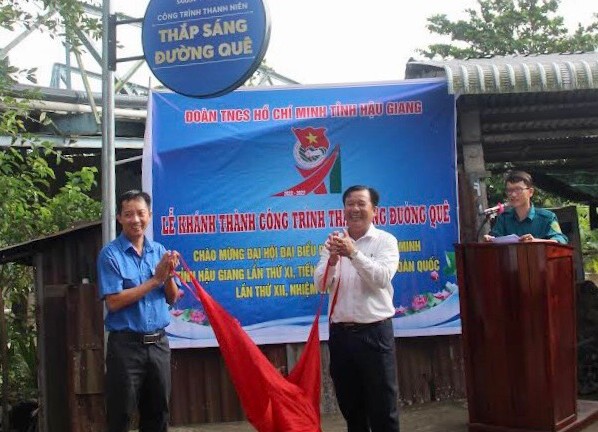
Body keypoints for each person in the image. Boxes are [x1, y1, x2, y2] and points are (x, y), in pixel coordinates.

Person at [314, 185, 400, 432]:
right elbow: (321, 285)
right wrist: (332, 260)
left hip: (375, 334)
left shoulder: (386, 241)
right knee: (351, 407)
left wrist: (353, 254)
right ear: (343, 209)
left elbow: (381, 279)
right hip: (341, 335)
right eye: (350, 204)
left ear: (374, 210)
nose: (355, 209)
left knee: (383, 407)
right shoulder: (333, 242)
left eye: (361, 203)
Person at [97, 190, 179, 432]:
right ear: (119, 218)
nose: (136, 220)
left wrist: (168, 275)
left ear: (149, 215)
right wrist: (155, 280)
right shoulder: (110, 255)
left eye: (141, 213)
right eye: (129, 214)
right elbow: (113, 302)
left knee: (159, 414)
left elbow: (172, 298)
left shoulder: (159, 251)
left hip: (159, 344)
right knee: (120, 415)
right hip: (126, 347)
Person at [483, 171, 568, 244]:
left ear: (530, 192)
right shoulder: (504, 218)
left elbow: (561, 240)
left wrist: (535, 241)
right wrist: (490, 239)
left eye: (518, 190)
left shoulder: (547, 217)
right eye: (509, 190)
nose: (513, 194)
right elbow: (495, 238)